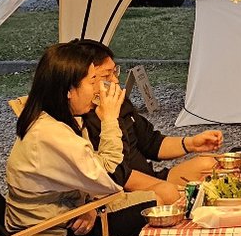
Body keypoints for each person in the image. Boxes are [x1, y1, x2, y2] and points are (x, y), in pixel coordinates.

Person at [5, 41, 151, 236]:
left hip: (69, 215)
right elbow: (111, 177)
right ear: (68, 91)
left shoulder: (54, 120)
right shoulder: (49, 134)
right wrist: (111, 119)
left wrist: (88, 205)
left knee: (156, 197)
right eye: (93, 81)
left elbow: (94, 173)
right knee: (155, 206)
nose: (98, 89)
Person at [80, 50, 222, 205]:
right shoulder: (85, 121)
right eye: (106, 76)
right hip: (124, 187)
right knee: (171, 193)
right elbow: (117, 173)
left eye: (115, 72)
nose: (115, 81)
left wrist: (193, 143)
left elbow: (151, 142)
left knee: (209, 164)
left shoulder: (121, 103)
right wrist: (164, 186)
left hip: (150, 176)